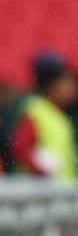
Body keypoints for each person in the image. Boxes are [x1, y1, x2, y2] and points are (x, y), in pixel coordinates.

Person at [10, 52, 77, 181]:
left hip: (59, 194)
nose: (72, 88)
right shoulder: (36, 110)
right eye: (67, 82)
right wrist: (42, 169)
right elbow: (20, 147)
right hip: (39, 195)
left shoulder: (59, 114)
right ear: (52, 84)